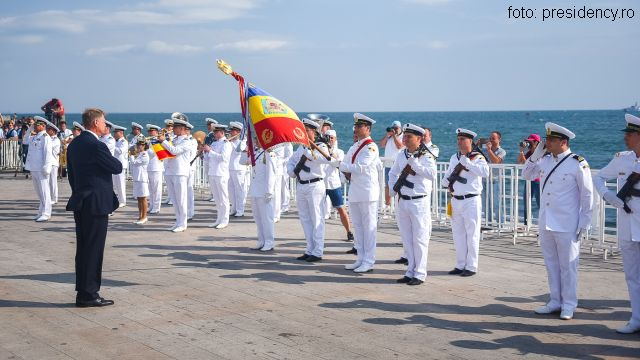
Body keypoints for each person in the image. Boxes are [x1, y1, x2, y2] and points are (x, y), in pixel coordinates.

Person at [522, 122, 593, 321]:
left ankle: (569, 304)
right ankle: (555, 300)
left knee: (568, 266)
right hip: (546, 221)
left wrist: (585, 222)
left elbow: (587, 195)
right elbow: (526, 174)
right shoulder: (544, 160)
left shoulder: (577, 163)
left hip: (567, 223)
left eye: (551, 140)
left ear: (563, 142)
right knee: (551, 264)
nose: (547, 143)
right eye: (546, 140)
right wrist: (535, 154)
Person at [66, 108, 122, 307]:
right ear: (96, 123)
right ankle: (89, 295)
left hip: (81, 200)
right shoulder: (95, 145)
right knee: (93, 250)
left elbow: (71, 175)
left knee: (83, 249)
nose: (106, 125)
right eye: (104, 122)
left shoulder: (75, 144)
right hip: (96, 204)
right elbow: (117, 167)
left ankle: (83, 292)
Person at [592, 114, 640, 334]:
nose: (626, 138)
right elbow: (599, 177)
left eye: (630, 134)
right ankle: (636, 318)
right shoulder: (622, 159)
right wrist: (608, 196)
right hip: (627, 223)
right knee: (631, 276)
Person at [389, 124, 437, 285]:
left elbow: (432, 175)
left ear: (419, 139)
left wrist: (415, 164)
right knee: (407, 239)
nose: (405, 139)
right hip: (402, 200)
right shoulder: (401, 154)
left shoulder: (426, 156)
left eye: (409, 137)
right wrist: (392, 188)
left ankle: (420, 273)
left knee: (420, 239)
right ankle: (410, 271)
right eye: (405, 136)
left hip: (419, 202)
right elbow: (393, 172)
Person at [287, 119, 338, 262]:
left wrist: (310, 152)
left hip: (315, 185)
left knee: (317, 219)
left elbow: (324, 158)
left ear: (314, 132)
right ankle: (309, 248)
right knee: (305, 219)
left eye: (307, 130)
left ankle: (318, 251)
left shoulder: (321, 145)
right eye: (303, 130)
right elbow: (292, 160)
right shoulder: (302, 146)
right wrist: (291, 171)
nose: (304, 133)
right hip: (302, 184)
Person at [441, 128, 490, 277]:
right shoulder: (454, 157)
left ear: (470, 142)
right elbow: (450, 172)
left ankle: (471, 266)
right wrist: (445, 180)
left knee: (472, 234)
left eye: (463, 139)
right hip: (456, 200)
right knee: (458, 234)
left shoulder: (477, 157)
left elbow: (485, 172)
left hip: (471, 200)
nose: (459, 142)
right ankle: (460, 264)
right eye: (458, 139)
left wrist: (468, 164)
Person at [340, 113, 381, 273]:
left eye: (359, 126)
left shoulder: (371, 147)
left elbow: (360, 167)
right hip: (356, 191)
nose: (355, 129)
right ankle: (361, 258)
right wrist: (340, 164)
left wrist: (341, 165)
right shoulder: (355, 146)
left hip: (368, 192)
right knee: (358, 226)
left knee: (369, 227)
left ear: (368, 129)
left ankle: (369, 261)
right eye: (355, 126)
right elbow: (347, 163)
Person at [158, 116, 191, 232]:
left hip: (180, 173)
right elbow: (168, 151)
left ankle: (183, 223)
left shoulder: (187, 141)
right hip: (170, 171)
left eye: (175, 127)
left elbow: (175, 151)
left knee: (181, 199)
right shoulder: (175, 140)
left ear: (182, 128)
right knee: (174, 199)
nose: (173, 129)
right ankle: (178, 221)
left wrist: (164, 141)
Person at [244, 140, 278, 251]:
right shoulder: (256, 152)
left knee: (266, 218)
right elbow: (243, 161)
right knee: (258, 217)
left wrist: (269, 191)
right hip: (255, 189)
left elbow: (271, 173)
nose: (255, 141)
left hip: (264, 191)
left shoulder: (269, 153)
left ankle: (269, 241)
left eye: (257, 139)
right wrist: (245, 149)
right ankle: (261, 240)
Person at [324, 129, 354, 241]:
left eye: (332, 137)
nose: (330, 140)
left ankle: (349, 231)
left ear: (335, 139)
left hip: (333, 183)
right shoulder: (319, 149)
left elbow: (338, 162)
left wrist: (329, 152)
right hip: (321, 184)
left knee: (341, 209)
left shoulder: (340, 151)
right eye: (327, 137)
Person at [24, 116, 54, 222]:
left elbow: (48, 153)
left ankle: (46, 213)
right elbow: (24, 141)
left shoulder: (46, 137)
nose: (35, 127)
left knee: (45, 191)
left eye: (37, 125)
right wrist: (30, 128)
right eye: (35, 125)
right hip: (34, 167)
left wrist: (47, 167)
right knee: (39, 192)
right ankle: (41, 212)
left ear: (43, 126)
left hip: (41, 169)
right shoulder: (34, 136)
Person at [203, 123, 232, 229]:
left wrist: (210, 151)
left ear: (222, 132)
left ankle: (224, 220)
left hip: (221, 173)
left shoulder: (226, 144)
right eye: (214, 131)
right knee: (217, 198)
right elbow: (208, 158)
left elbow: (223, 158)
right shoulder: (214, 143)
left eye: (216, 132)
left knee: (223, 198)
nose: (214, 133)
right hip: (213, 173)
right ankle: (219, 219)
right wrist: (205, 152)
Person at [517, 134, 542, 225]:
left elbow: (525, 163)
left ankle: (542, 225)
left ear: (536, 142)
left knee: (541, 204)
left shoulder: (541, 154)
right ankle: (526, 224)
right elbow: (520, 162)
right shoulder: (529, 153)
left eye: (530, 142)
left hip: (538, 181)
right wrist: (521, 151)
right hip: (529, 181)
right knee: (526, 203)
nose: (528, 144)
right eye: (528, 142)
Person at [379, 120, 404, 210]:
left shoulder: (403, 136)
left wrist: (394, 136)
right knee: (388, 186)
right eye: (393, 128)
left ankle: (399, 206)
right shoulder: (389, 137)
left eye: (396, 128)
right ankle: (388, 206)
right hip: (388, 165)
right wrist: (387, 135)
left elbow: (399, 146)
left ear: (400, 128)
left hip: (398, 166)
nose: (394, 130)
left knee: (399, 185)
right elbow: (381, 145)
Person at [483, 131, 506, 223]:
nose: (491, 140)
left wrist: (489, 150)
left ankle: (500, 223)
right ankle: (488, 222)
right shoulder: (484, 150)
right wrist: (475, 146)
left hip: (495, 180)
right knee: (485, 203)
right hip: (484, 179)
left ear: (499, 140)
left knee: (496, 203)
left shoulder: (502, 151)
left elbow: (496, 161)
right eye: (490, 138)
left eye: (493, 138)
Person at [227, 122, 248, 217]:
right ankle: (234, 208)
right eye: (231, 130)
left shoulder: (242, 141)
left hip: (239, 168)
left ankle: (240, 210)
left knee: (239, 190)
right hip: (230, 168)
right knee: (231, 190)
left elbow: (238, 150)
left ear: (239, 132)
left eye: (233, 131)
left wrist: (230, 143)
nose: (231, 132)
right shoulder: (230, 142)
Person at [130, 139, 150, 225]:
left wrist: (131, 155)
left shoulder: (145, 155)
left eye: (141, 145)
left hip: (142, 179)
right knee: (139, 198)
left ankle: (144, 216)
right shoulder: (140, 155)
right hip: (137, 178)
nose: (139, 147)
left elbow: (134, 163)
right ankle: (140, 216)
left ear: (144, 146)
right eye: (138, 145)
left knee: (143, 198)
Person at [145, 124, 164, 214]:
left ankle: (156, 207)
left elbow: (153, 153)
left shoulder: (157, 141)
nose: (150, 133)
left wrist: (145, 148)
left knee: (156, 188)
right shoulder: (150, 141)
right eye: (149, 131)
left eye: (151, 131)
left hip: (156, 167)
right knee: (151, 188)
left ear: (156, 132)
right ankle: (152, 205)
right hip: (149, 167)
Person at [112, 125, 129, 208]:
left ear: (121, 133)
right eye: (114, 132)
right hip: (115, 165)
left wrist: (112, 146)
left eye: (116, 132)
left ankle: (123, 201)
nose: (114, 134)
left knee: (121, 184)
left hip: (121, 165)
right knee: (115, 184)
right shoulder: (116, 141)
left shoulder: (124, 142)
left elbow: (120, 151)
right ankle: (118, 199)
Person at [46, 122, 61, 204]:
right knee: (47, 181)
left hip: (53, 163)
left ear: (53, 131)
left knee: (53, 181)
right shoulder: (48, 138)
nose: (47, 130)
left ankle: (54, 198)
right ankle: (49, 197)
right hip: (48, 163)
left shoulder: (56, 140)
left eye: (49, 129)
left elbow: (49, 146)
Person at [204, 117, 218, 201]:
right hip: (207, 157)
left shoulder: (213, 135)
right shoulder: (209, 135)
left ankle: (214, 195)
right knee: (209, 177)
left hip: (211, 158)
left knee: (212, 177)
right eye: (208, 125)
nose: (208, 126)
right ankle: (212, 193)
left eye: (210, 125)